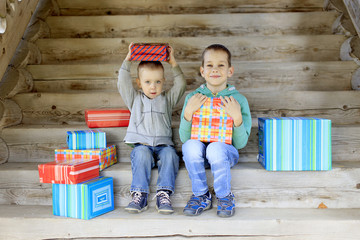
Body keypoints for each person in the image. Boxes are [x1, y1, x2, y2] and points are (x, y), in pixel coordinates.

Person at [179, 44, 251, 218]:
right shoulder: (193, 98)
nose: (215, 69)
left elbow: (240, 144)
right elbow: (184, 138)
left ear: (230, 71)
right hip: (200, 157)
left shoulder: (238, 100)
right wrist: (188, 112)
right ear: (202, 71)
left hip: (225, 154)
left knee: (215, 148)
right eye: (210, 65)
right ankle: (201, 194)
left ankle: (225, 196)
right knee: (190, 146)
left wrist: (237, 118)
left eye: (221, 65)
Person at [117, 43, 186, 214]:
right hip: (142, 146)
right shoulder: (134, 99)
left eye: (157, 82)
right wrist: (128, 60)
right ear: (139, 83)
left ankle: (164, 193)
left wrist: (173, 63)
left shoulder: (167, 100)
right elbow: (122, 82)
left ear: (163, 82)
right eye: (147, 82)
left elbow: (181, 84)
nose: (153, 86)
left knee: (171, 155)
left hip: (164, 146)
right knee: (140, 154)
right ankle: (139, 195)